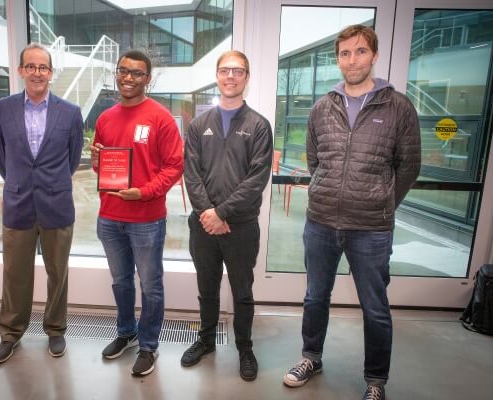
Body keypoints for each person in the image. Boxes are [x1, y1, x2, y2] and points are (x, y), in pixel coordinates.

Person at [282, 25, 421, 400]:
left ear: (374, 55)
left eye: (360, 52)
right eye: (345, 53)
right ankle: (311, 357)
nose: (352, 60)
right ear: (338, 59)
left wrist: (383, 203)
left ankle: (376, 382)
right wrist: (328, 191)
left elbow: (408, 166)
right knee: (315, 297)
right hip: (322, 222)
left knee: (375, 308)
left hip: (372, 228)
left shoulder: (398, 107)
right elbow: (316, 161)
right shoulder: (322, 106)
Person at [180, 50, 273, 381]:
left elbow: (256, 179)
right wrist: (207, 213)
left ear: (247, 77)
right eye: (225, 70)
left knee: (242, 289)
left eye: (238, 71)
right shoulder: (198, 125)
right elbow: (190, 173)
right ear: (217, 76)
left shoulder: (259, 126)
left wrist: (221, 212)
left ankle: (245, 348)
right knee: (207, 287)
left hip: (241, 226)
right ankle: (206, 341)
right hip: (203, 224)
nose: (230, 76)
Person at [90, 50, 183, 377]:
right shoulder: (104, 118)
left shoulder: (160, 117)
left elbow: (175, 166)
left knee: (150, 285)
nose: (129, 78)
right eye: (123, 71)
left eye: (137, 73)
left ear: (148, 78)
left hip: (146, 218)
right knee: (120, 282)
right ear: (116, 73)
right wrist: (97, 159)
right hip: (110, 217)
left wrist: (144, 192)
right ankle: (126, 332)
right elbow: (99, 168)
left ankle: (148, 346)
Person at [0, 43, 84, 364]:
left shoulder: (70, 113)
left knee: (58, 272)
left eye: (43, 67)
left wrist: (50, 182)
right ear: (20, 71)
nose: (37, 72)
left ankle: (56, 329)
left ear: (50, 73)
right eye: (30, 66)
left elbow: (72, 159)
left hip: (56, 204)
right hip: (18, 204)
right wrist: (20, 182)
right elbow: (0, 157)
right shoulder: (1, 109)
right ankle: (10, 332)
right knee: (15, 272)